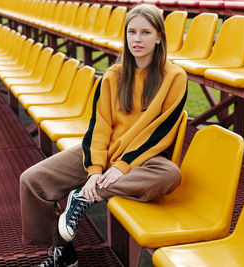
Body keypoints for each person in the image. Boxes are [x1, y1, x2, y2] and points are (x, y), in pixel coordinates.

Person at [20, 4, 187, 266]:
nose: (137, 39)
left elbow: (161, 131)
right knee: (32, 180)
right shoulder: (112, 76)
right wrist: (95, 169)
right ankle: (62, 251)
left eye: (145, 32)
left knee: (170, 174)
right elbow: (99, 127)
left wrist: (122, 166)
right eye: (132, 32)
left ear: (159, 37)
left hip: (144, 159)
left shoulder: (175, 77)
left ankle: (84, 196)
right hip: (105, 152)